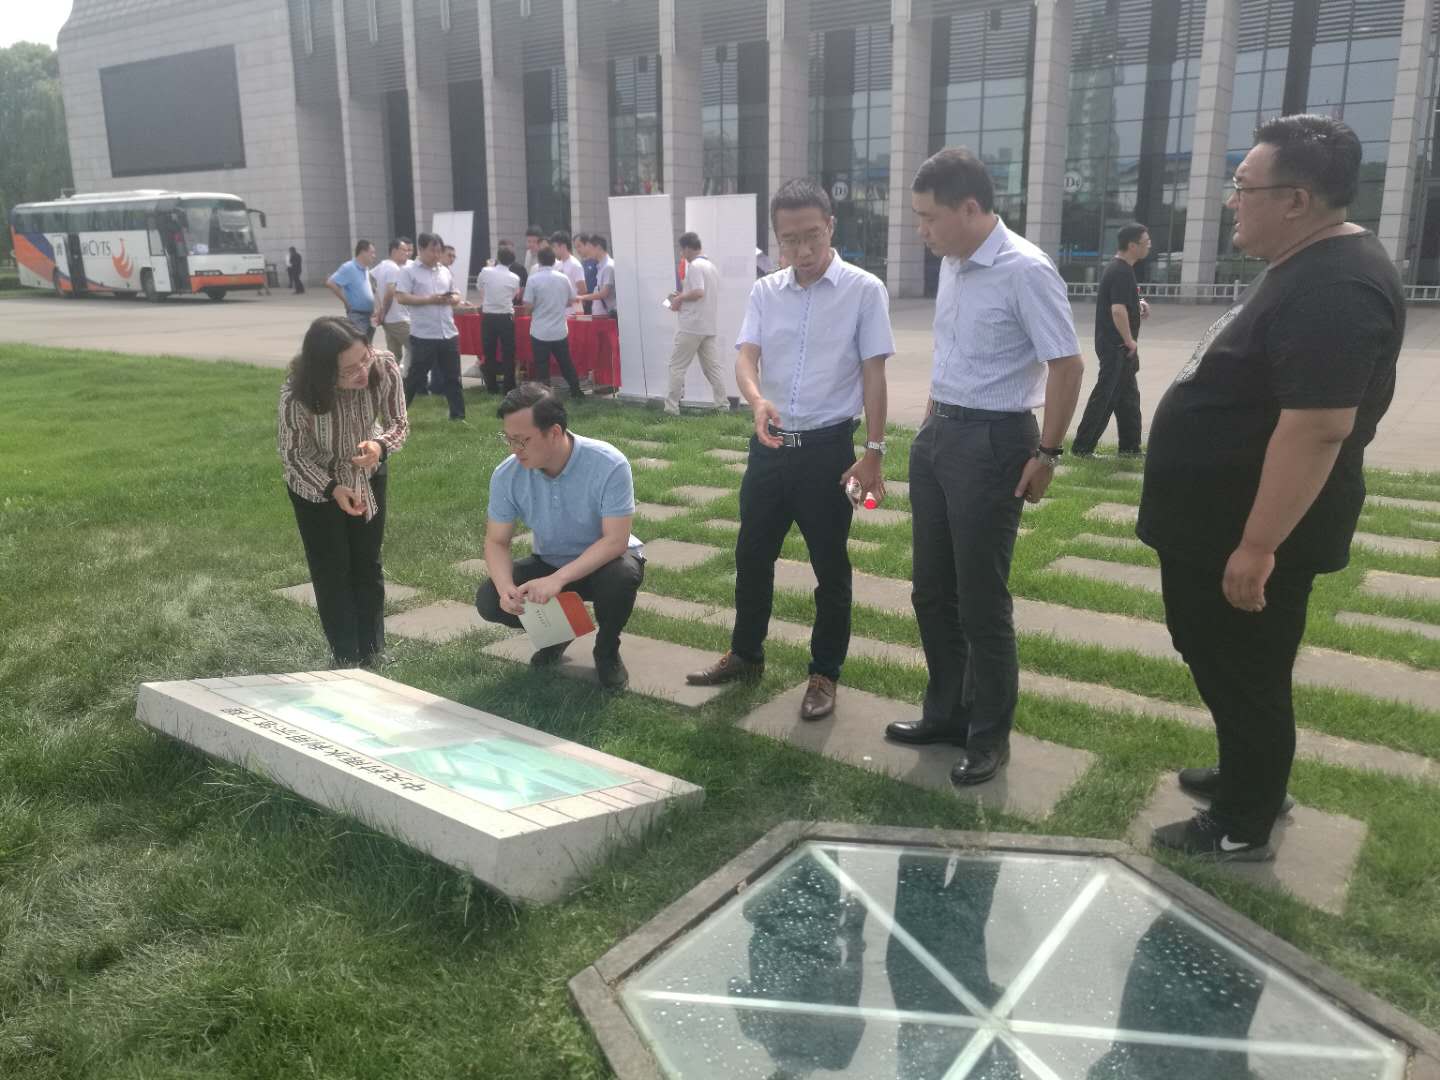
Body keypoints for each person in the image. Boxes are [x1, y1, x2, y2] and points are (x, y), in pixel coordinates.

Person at [1139, 114, 1402, 861]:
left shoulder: (1338, 287)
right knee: (1225, 659)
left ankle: (1241, 823)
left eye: (1243, 187)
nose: (1232, 201)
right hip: (1218, 525)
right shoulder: (1307, 263)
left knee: (1245, 670)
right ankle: (1249, 774)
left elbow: (1318, 427)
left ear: (1296, 200)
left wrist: (1257, 546)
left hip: (1252, 532)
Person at [885, 147, 1083, 787]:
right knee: (931, 590)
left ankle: (989, 735)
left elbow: (1067, 364)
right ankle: (947, 712)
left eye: (929, 217)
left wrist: (1047, 454)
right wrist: (930, 423)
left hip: (995, 441)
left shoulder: (1025, 270)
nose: (922, 231)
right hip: (939, 433)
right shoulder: (955, 262)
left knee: (980, 600)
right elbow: (957, 352)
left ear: (969, 208)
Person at [687, 179, 894, 722]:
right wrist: (756, 401)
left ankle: (824, 672)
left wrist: (873, 451)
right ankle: (746, 653)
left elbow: (874, 374)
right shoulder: (766, 291)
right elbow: (746, 356)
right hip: (770, 446)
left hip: (828, 451)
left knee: (830, 567)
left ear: (831, 227)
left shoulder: (864, 290)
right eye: (789, 240)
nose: (802, 250)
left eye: (811, 236)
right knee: (752, 555)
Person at [475, 383, 644, 690]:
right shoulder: (507, 474)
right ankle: (558, 633)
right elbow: (496, 541)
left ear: (554, 432)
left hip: (605, 561)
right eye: (508, 439)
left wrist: (558, 580)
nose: (514, 449)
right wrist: (505, 588)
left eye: (522, 440)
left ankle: (607, 651)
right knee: (489, 600)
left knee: (621, 576)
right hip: (549, 560)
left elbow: (615, 541)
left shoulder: (608, 463)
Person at [278, 316, 408, 667]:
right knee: (332, 571)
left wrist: (379, 446)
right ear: (324, 372)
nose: (362, 372)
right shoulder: (297, 394)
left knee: (367, 564)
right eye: (349, 370)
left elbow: (398, 422)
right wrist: (332, 489)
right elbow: (293, 456)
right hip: (315, 484)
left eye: (364, 358)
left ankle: (373, 650)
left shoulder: (384, 367)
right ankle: (345, 656)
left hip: (367, 474)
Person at [1072, 223, 1151, 458]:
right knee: (1105, 397)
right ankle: (1082, 448)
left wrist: (1138, 305)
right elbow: (1117, 310)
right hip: (1117, 347)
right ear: (1132, 246)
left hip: (1121, 348)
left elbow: (1122, 303)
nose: (1149, 246)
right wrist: (1129, 340)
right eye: (1146, 242)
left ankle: (1130, 448)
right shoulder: (1120, 271)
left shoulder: (1122, 270)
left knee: (1128, 399)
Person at [397, 232, 467, 421]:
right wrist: (429, 299)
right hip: (424, 334)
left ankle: (458, 415)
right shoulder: (409, 271)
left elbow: (456, 294)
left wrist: (451, 299)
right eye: (432, 250)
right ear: (421, 249)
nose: (436, 255)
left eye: (439, 251)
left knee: (452, 377)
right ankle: (398, 415)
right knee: (416, 377)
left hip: (448, 332)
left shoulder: (444, 271)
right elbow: (401, 297)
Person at [663, 231, 727, 415]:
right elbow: (702, 293)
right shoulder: (711, 267)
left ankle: (671, 408)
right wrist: (682, 296)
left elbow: (699, 292)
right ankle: (722, 405)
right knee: (712, 368)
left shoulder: (695, 266)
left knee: (676, 367)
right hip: (707, 325)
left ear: (686, 248)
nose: (681, 254)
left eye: (681, 250)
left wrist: (679, 298)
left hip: (691, 326)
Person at [523, 247, 584, 397]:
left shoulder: (533, 279)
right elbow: (571, 300)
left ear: (539, 261)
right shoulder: (563, 278)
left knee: (542, 365)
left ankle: (545, 395)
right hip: (559, 330)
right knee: (566, 363)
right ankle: (576, 390)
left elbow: (528, 305)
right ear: (554, 261)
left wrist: (533, 310)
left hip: (540, 330)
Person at [477, 247, 523, 395]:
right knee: (508, 353)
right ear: (512, 262)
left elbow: (480, 287)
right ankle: (509, 386)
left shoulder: (486, 271)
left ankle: (491, 386)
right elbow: (514, 295)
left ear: (497, 257)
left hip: (489, 316)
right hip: (505, 316)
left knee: (489, 352)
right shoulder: (514, 278)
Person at [372, 237, 413, 374]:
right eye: (404, 250)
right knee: (418, 347)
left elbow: (371, 280)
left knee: (393, 356)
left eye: (408, 250)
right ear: (394, 251)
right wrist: (383, 311)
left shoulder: (383, 265)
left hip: (389, 320)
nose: (407, 253)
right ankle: (410, 380)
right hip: (397, 319)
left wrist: (379, 307)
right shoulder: (394, 268)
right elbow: (390, 291)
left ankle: (389, 380)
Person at [326, 241, 378, 343]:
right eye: (372, 252)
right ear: (363, 252)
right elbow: (331, 283)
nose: (374, 256)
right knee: (359, 344)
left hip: (370, 315)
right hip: (357, 316)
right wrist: (346, 301)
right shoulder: (349, 267)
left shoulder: (366, 269)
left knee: (368, 345)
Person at [576, 233, 616, 317]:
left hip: (607, 315)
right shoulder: (600, 266)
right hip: (600, 315)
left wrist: (582, 297)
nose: (589, 251)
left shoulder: (608, 267)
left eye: (590, 248)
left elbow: (604, 293)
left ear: (598, 248)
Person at [550, 230, 587, 314]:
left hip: (572, 313)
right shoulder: (557, 265)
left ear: (563, 246)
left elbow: (583, 290)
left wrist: (568, 303)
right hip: (559, 312)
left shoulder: (575, 265)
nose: (553, 250)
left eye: (554, 247)